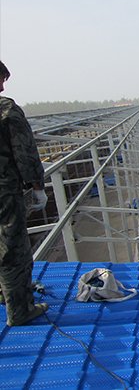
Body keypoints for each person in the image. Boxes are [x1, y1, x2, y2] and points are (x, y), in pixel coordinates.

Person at [0, 60, 49, 326]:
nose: (3, 85)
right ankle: (19, 309)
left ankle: (4, 293)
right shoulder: (6, 110)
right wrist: (37, 186)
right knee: (13, 247)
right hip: (4, 192)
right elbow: (25, 152)